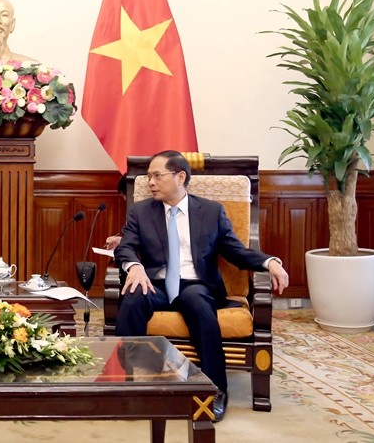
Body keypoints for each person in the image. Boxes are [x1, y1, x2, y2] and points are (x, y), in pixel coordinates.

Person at [113, 150, 289, 422]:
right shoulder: (141, 212)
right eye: (149, 177)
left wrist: (269, 262)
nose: (150, 183)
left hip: (195, 284)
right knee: (134, 295)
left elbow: (235, 251)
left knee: (198, 302)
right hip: (156, 283)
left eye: (157, 176)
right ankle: (129, 386)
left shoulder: (210, 211)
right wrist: (134, 267)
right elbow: (126, 246)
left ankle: (214, 390)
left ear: (180, 176)